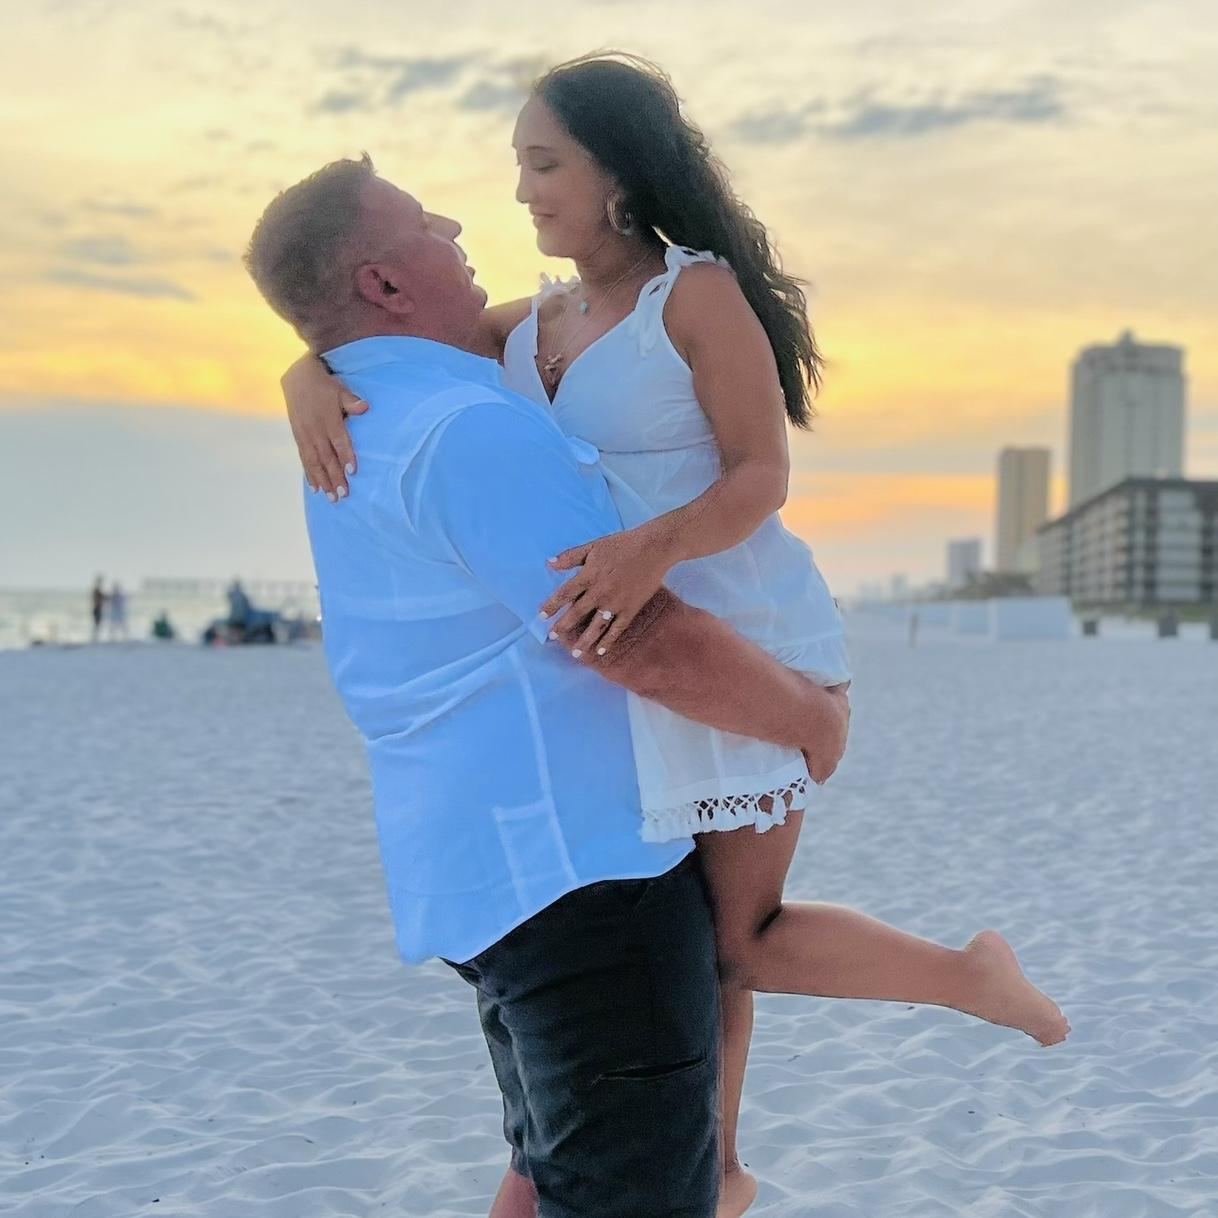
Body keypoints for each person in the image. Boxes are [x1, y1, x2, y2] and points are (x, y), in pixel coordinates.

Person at [282, 56, 1070, 1216]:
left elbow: (761, 476)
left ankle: (967, 977)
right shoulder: (527, 322)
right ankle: (724, 1166)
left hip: (743, 634)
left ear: (617, 173)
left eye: (544, 164)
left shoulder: (692, 297)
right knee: (694, 939)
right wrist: (303, 374)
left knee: (737, 939)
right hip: (636, 650)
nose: (520, 192)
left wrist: (653, 549)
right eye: (518, 165)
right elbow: (375, 327)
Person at [244, 157, 852, 1218]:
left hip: (482, 869)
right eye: (422, 222)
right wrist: (810, 718)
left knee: (544, 1174)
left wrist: (306, 363)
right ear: (384, 283)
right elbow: (628, 633)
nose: (454, 224)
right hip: (581, 880)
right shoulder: (462, 429)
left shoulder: (368, 413)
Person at [90, 576, 106, 643]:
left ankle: (95, 637)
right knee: (96, 624)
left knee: (97, 624)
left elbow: (103, 598)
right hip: (97, 609)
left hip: (97, 609)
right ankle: (95, 638)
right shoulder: (97, 590)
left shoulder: (97, 590)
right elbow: (101, 598)